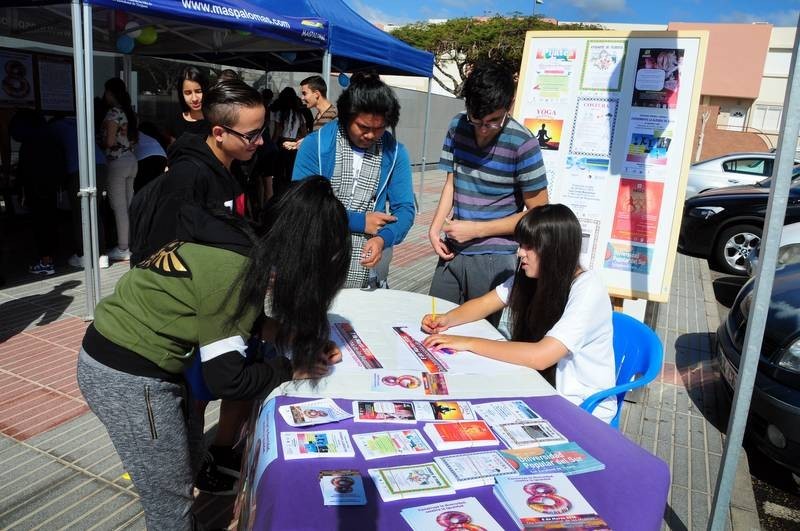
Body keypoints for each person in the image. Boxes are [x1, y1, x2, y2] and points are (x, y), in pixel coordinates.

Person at [77, 177, 352, 530]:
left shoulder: (241, 244)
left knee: (187, 459)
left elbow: (230, 317)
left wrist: (292, 337)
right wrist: (290, 369)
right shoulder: (234, 270)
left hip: (146, 365)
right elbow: (228, 379)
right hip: (126, 375)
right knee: (169, 501)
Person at [422, 204, 617, 423]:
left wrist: (468, 342)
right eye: (521, 244)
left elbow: (541, 356)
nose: (520, 253)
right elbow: (486, 303)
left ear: (555, 249)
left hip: (579, 406)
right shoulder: (531, 276)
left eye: (530, 246)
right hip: (537, 383)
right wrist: (446, 319)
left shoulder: (588, 289)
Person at [427, 63, 548, 326]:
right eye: (476, 120)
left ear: (510, 105)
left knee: (476, 334)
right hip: (453, 248)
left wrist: (476, 230)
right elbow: (452, 182)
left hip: (495, 257)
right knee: (433, 323)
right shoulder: (457, 125)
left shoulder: (523, 144)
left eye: (494, 121)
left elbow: (539, 214)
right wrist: (434, 229)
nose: (483, 129)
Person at [292, 72, 415, 289]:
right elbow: (302, 205)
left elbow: (404, 209)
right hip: (316, 253)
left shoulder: (394, 152)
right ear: (347, 116)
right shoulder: (316, 145)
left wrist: (383, 238)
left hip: (369, 261)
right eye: (363, 127)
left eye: (379, 129)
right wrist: (360, 222)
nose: (370, 135)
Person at [129, 79, 264, 265]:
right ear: (218, 133)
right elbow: (164, 254)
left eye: (261, 131)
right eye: (252, 135)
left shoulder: (236, 164)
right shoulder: (187, 177)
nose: (260, 141)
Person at [50, 115, 110, 270]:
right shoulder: (80, 123)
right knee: (95, 211)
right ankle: (102, 256)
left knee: (80, 212)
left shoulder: (55, 128)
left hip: (77, 168)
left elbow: (55, 155)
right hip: (100, 165)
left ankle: (83, 256)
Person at [10, 110, 66, 275]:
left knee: (40, 225)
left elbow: (24, 172)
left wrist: (19, 189)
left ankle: (46, 262)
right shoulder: (50, 139)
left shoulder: (29, 143)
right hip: (50, 188)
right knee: (50, 222)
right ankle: (50, 258)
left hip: (36, 189)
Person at [101, 78, 138, 262]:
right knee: (128, 205)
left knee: (119, 207)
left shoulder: (113, 113)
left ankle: (123, 247)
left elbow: (109, 142)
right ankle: (130, 243)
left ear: (111, 93)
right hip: (132, 159)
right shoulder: (129, 112)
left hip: (117, 161)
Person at [270, 87, 307, 198]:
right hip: (294, 144)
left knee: (279, 172)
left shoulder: (280, 113)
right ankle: (290, 194)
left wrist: (273, 144)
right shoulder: (299, 114)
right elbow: (304, 131)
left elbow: (278, 131)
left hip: (281, 142)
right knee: (291, 170)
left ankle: (279, 195)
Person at [167, 66, 209, 148]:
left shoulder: (215, 120)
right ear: (181, 94)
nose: (194, 99)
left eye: (198, 91)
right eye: (188, 93)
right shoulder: (175, 121)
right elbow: (173, 153)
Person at [133, 122, 167, 194]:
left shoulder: (130, 132)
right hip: (161, 155)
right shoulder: (149, 137)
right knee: (155, 186)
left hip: (145, 158)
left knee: (141, 188)